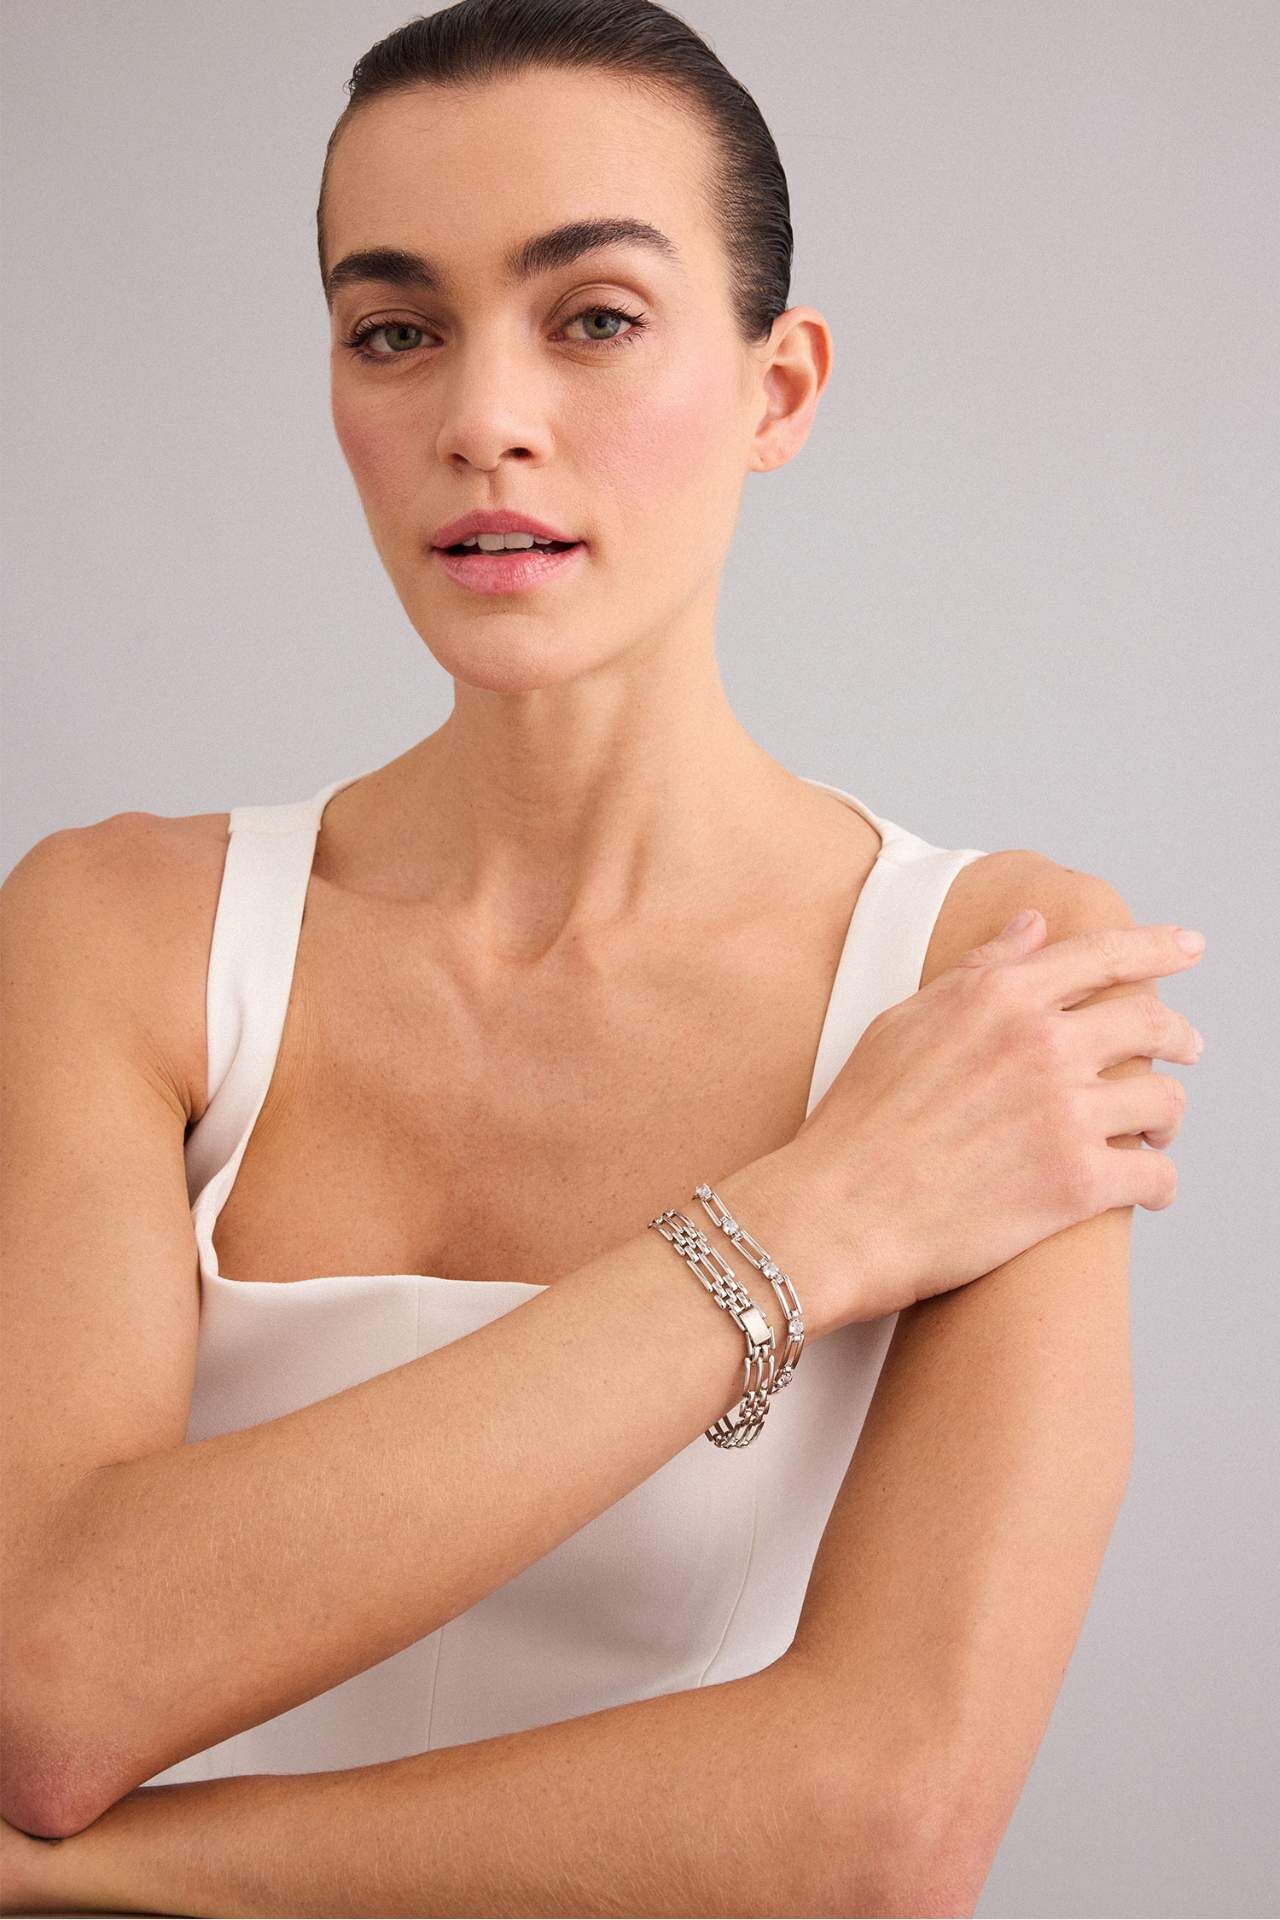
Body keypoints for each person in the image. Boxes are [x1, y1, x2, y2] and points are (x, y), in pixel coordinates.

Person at [0, 3, 1204, 1914]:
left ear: (779, 392)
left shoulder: (988, 975)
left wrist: (112, 1883)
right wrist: (808, 1222)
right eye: (396, 329)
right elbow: (46, 1686)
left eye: (596, 318)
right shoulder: (117, 931)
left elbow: (885, 1821)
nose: (483, 414)